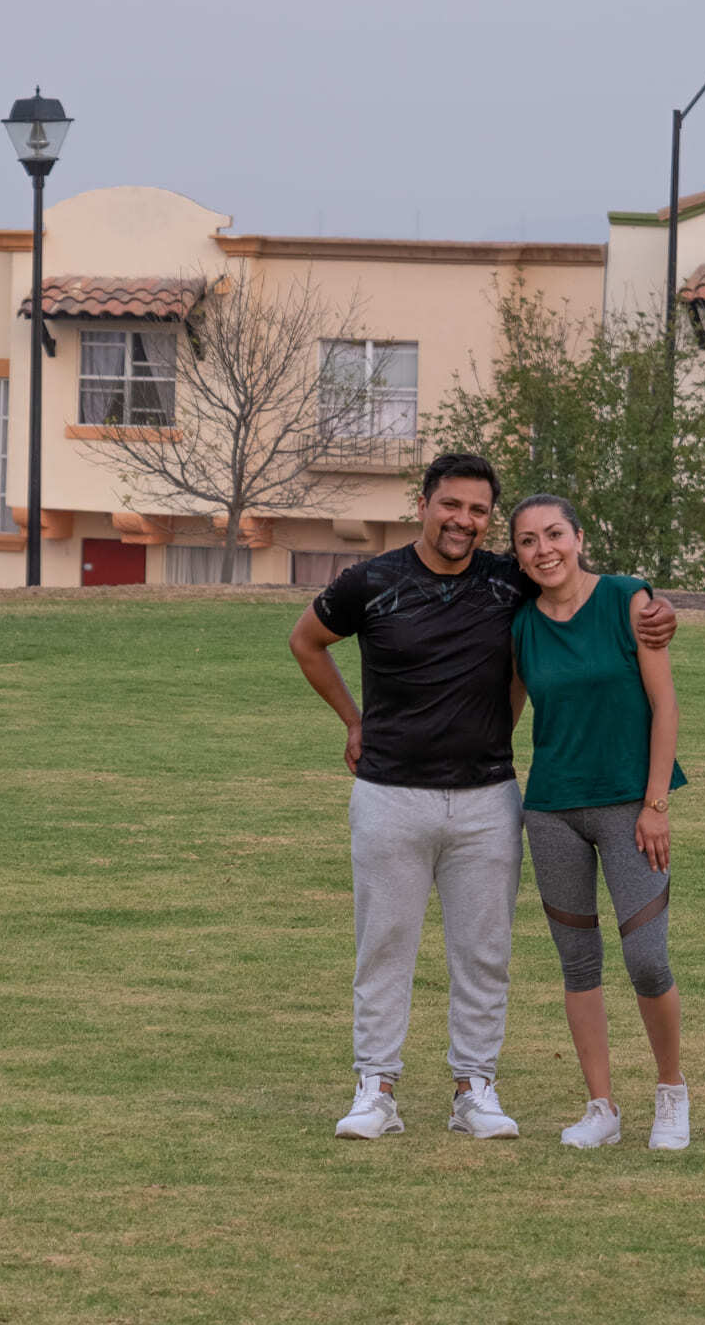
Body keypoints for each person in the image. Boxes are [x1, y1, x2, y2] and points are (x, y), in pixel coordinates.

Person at [289, 454, 675, 1141]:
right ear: (423, 505)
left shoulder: (508, 579)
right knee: (383, 946)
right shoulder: (370, 580)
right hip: (389, 794)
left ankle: (475, 1090)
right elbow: (306, 641)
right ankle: (376, 1089)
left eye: (477, 510)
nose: (463, 520)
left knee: (484, 952)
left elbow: (580, 590)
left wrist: (659, 611)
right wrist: (352, 721)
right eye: (451, 505)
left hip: (487, 798)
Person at [507, 494, 690, 1151]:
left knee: (647, 959)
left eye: (554, 534)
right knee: (578, 963)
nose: (544, 550)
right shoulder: (520, 625)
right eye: (528, 541)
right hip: (551, 810)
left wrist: (655, 803)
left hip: (627, 807)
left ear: (579, 538)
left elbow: (665, 703)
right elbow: (500, 719)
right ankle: (601, 1108)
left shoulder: (627, 600)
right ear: (518, 556)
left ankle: (671, 1090)